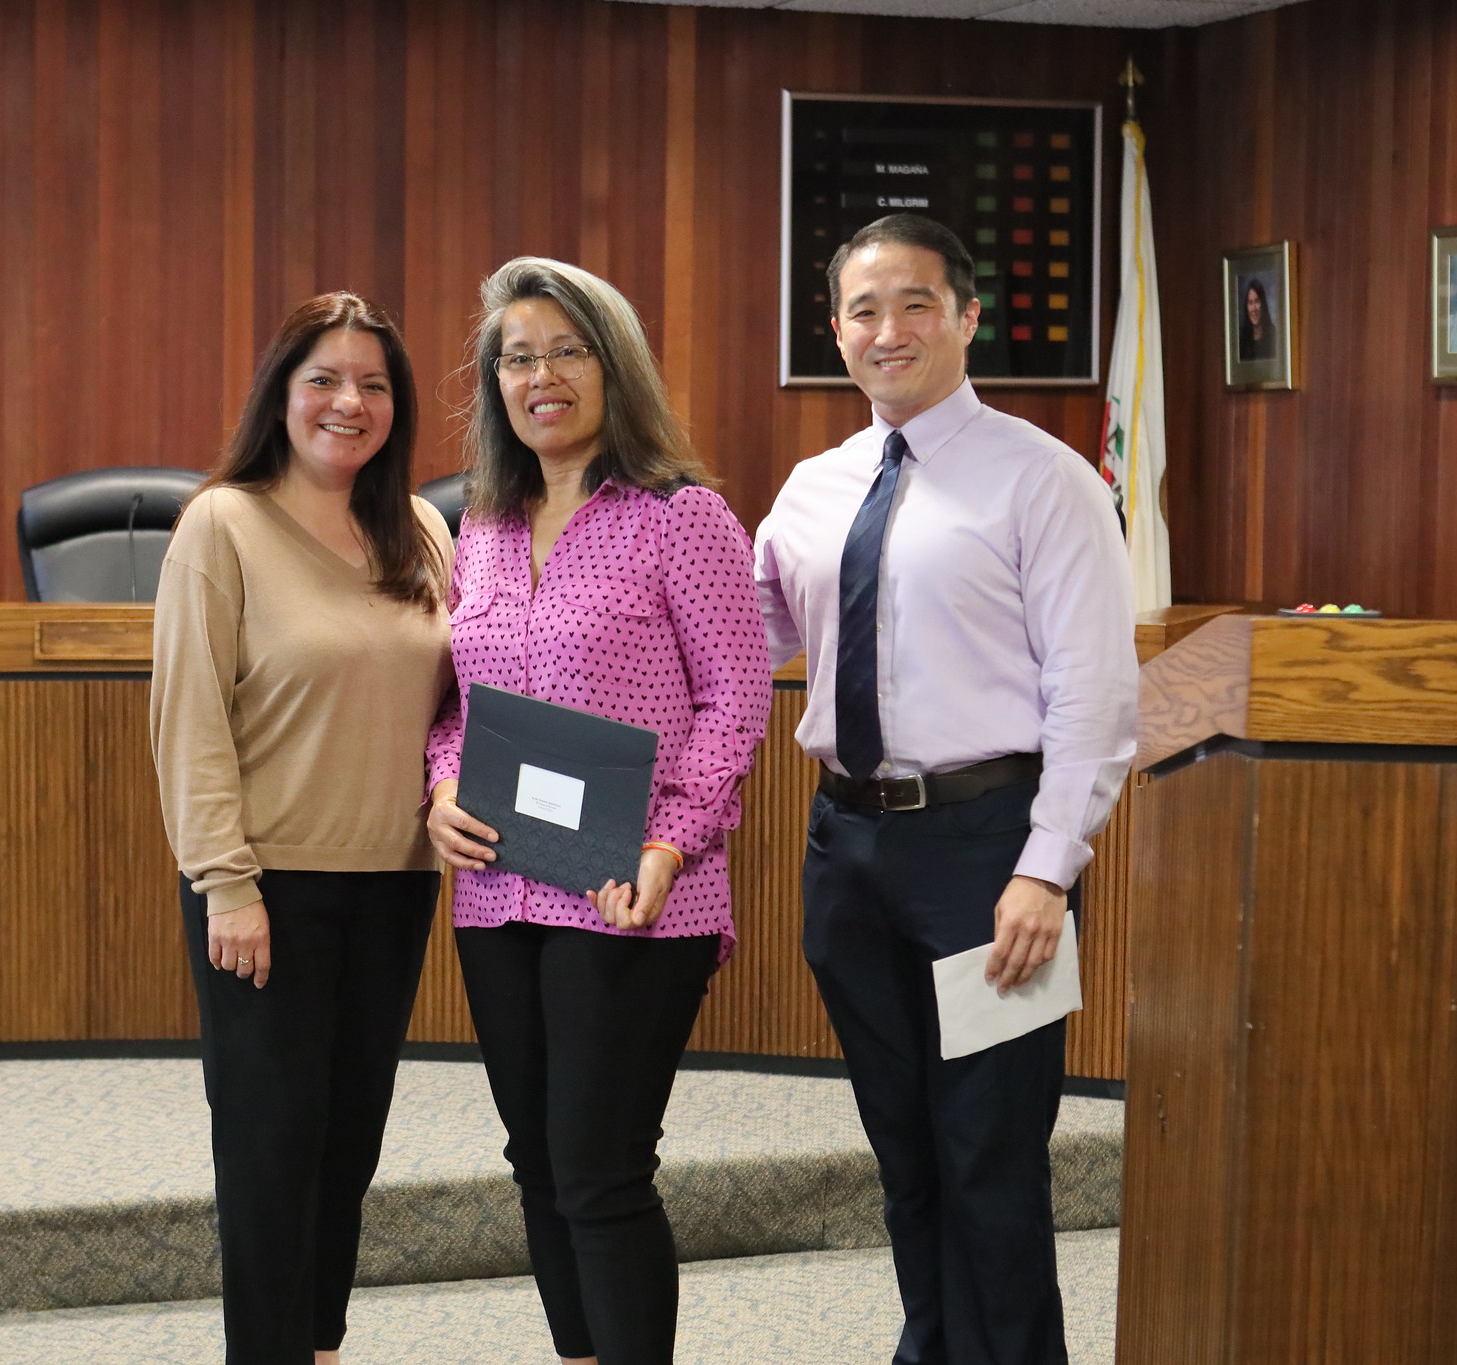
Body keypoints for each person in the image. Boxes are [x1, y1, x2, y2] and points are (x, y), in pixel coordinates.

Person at [753, 214, 1135, 1365]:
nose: (888, 330)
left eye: (914, 303)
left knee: (990, 1158)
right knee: (905, 1153)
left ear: (967, 318)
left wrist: (1043, 868)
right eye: (863, 310)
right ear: (834, 331)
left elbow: (1096, 696)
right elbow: (737, 634)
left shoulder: (1043, 481)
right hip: (847, 853)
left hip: (985, 855)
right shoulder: (813, 489)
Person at [423, 257, 769, 1365]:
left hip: (634, 893)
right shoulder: (479, 525)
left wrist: (669, 844)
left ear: (611, 365)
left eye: (565, 350)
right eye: (515, 357)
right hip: (497, 887)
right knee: (535, 1159)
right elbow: (452, 706)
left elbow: (736, 700)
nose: (540, 376)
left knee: (598, 1165)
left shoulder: (682, 516)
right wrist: (438, 789)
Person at [150, 292, 453, 1365]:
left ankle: (317, 1346)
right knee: (271, 1152)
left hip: (396, 882)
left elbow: (455, 707)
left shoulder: (418, 527)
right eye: (323, 378)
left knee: (347, 1145)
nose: (348, 402)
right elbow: (188, 721)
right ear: (281, 394)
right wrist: (224, 883)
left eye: (373, 384)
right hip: (266, 891)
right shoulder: (220, 524)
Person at [1237, 278, 1277, 361]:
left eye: (1257, 301)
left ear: (1263, 304)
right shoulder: (1240, 339)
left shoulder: (1274, 335)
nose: (1254, 309)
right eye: (1250, 303)